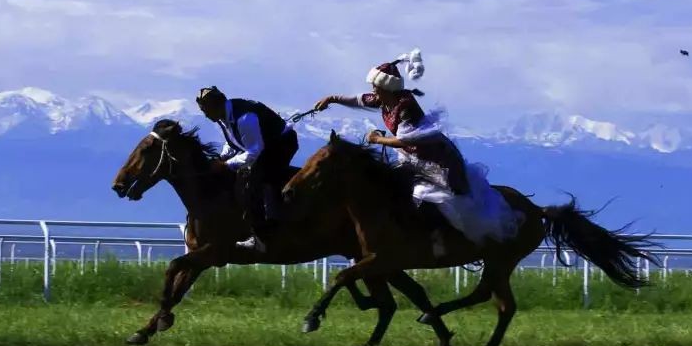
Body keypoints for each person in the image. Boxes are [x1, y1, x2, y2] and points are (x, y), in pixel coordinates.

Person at [312, 50, 519, 256]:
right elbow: (359, 100)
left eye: (375, 86)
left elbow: (404, 139)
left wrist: (377, 139)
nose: (372, 90)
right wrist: (332, 99)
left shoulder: (405, 107)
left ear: (386, 88)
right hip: (413, 157)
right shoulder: (382, 99)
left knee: (428, 195)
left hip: (437, 161)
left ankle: (440, 236)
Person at [196, 86, 299, 252]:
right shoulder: (223, 115)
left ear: (218, 104)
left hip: (281, 144)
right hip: (265, 144)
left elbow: (253, 151)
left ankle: (262, 236)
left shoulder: (245, 117)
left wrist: (225, 165)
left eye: (206, 110)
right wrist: (222, 158)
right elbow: (234, 142)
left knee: (256, 181)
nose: (205, 115)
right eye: (203, 111)